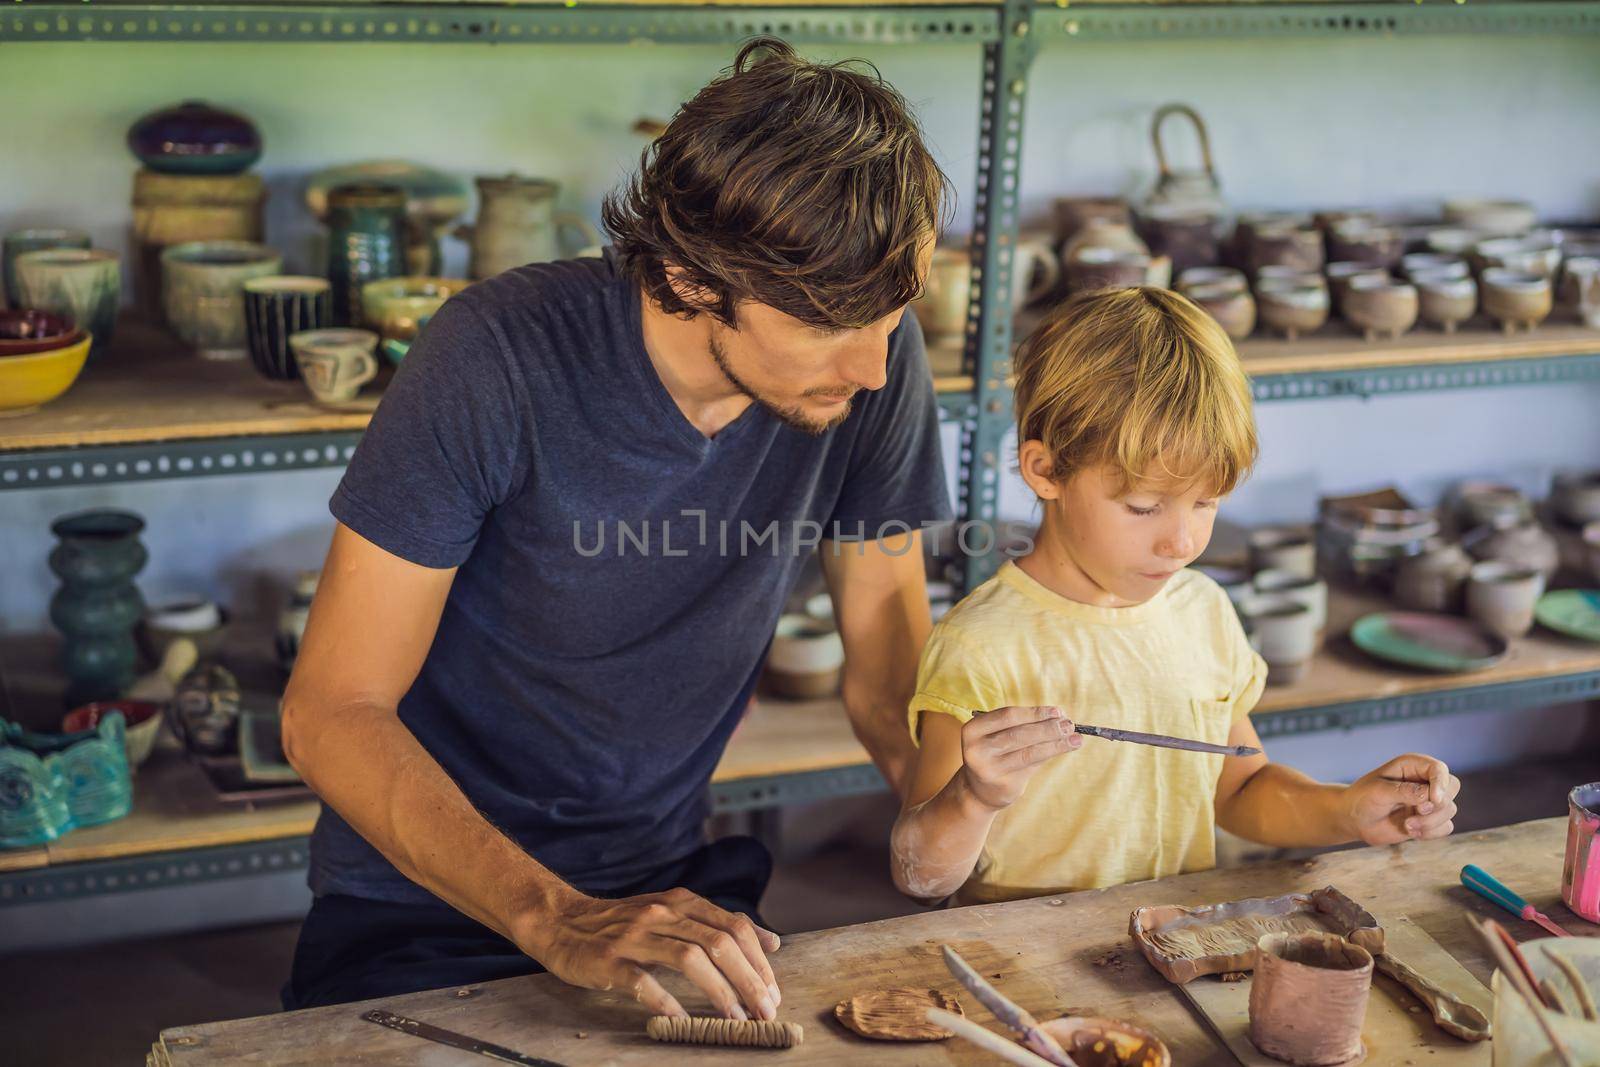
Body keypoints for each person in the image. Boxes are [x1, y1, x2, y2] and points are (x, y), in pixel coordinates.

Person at [280, 37, 954, 1018]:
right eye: (826, 325)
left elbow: (890, 658)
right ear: (688, 278)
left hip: (669, 876)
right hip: (422, 894)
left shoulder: (872, 356)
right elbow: (330, 711)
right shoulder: (494, 358)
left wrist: (960, 817)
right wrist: (552, 915)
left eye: (891, 316)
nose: (874, 369)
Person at [889, 287, 1461, 906]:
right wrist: (973, 797)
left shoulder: (1203, 612)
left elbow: (1241, 790)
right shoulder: (982, 645)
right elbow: (921, 872)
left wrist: (1347, 809)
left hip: (1172, 945)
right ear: (1044, 470)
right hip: (1023, 963)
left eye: (1206, 502)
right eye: (1143, 506)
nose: (1182, 541)